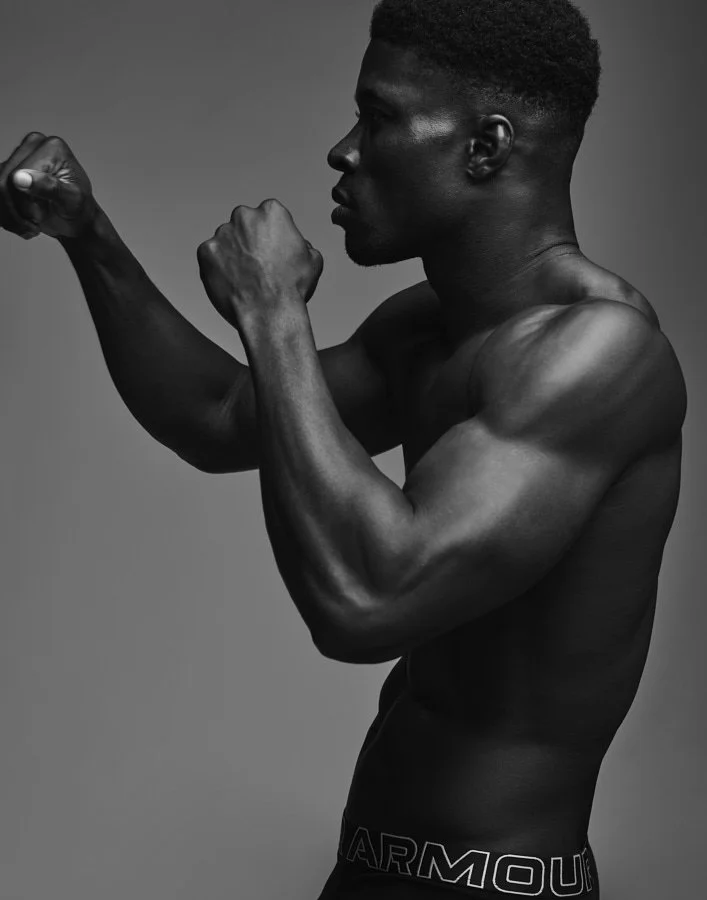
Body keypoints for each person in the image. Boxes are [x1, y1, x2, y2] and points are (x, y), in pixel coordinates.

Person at [0, 0, 687, 897]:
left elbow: (367, 601)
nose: (344, 149)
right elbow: (219, 417)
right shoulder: (427, 331)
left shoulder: (597, 353)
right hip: (375, 870)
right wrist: (86, 233)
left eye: (380, 115)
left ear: (484, 146)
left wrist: (273, 311)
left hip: (492, 885)